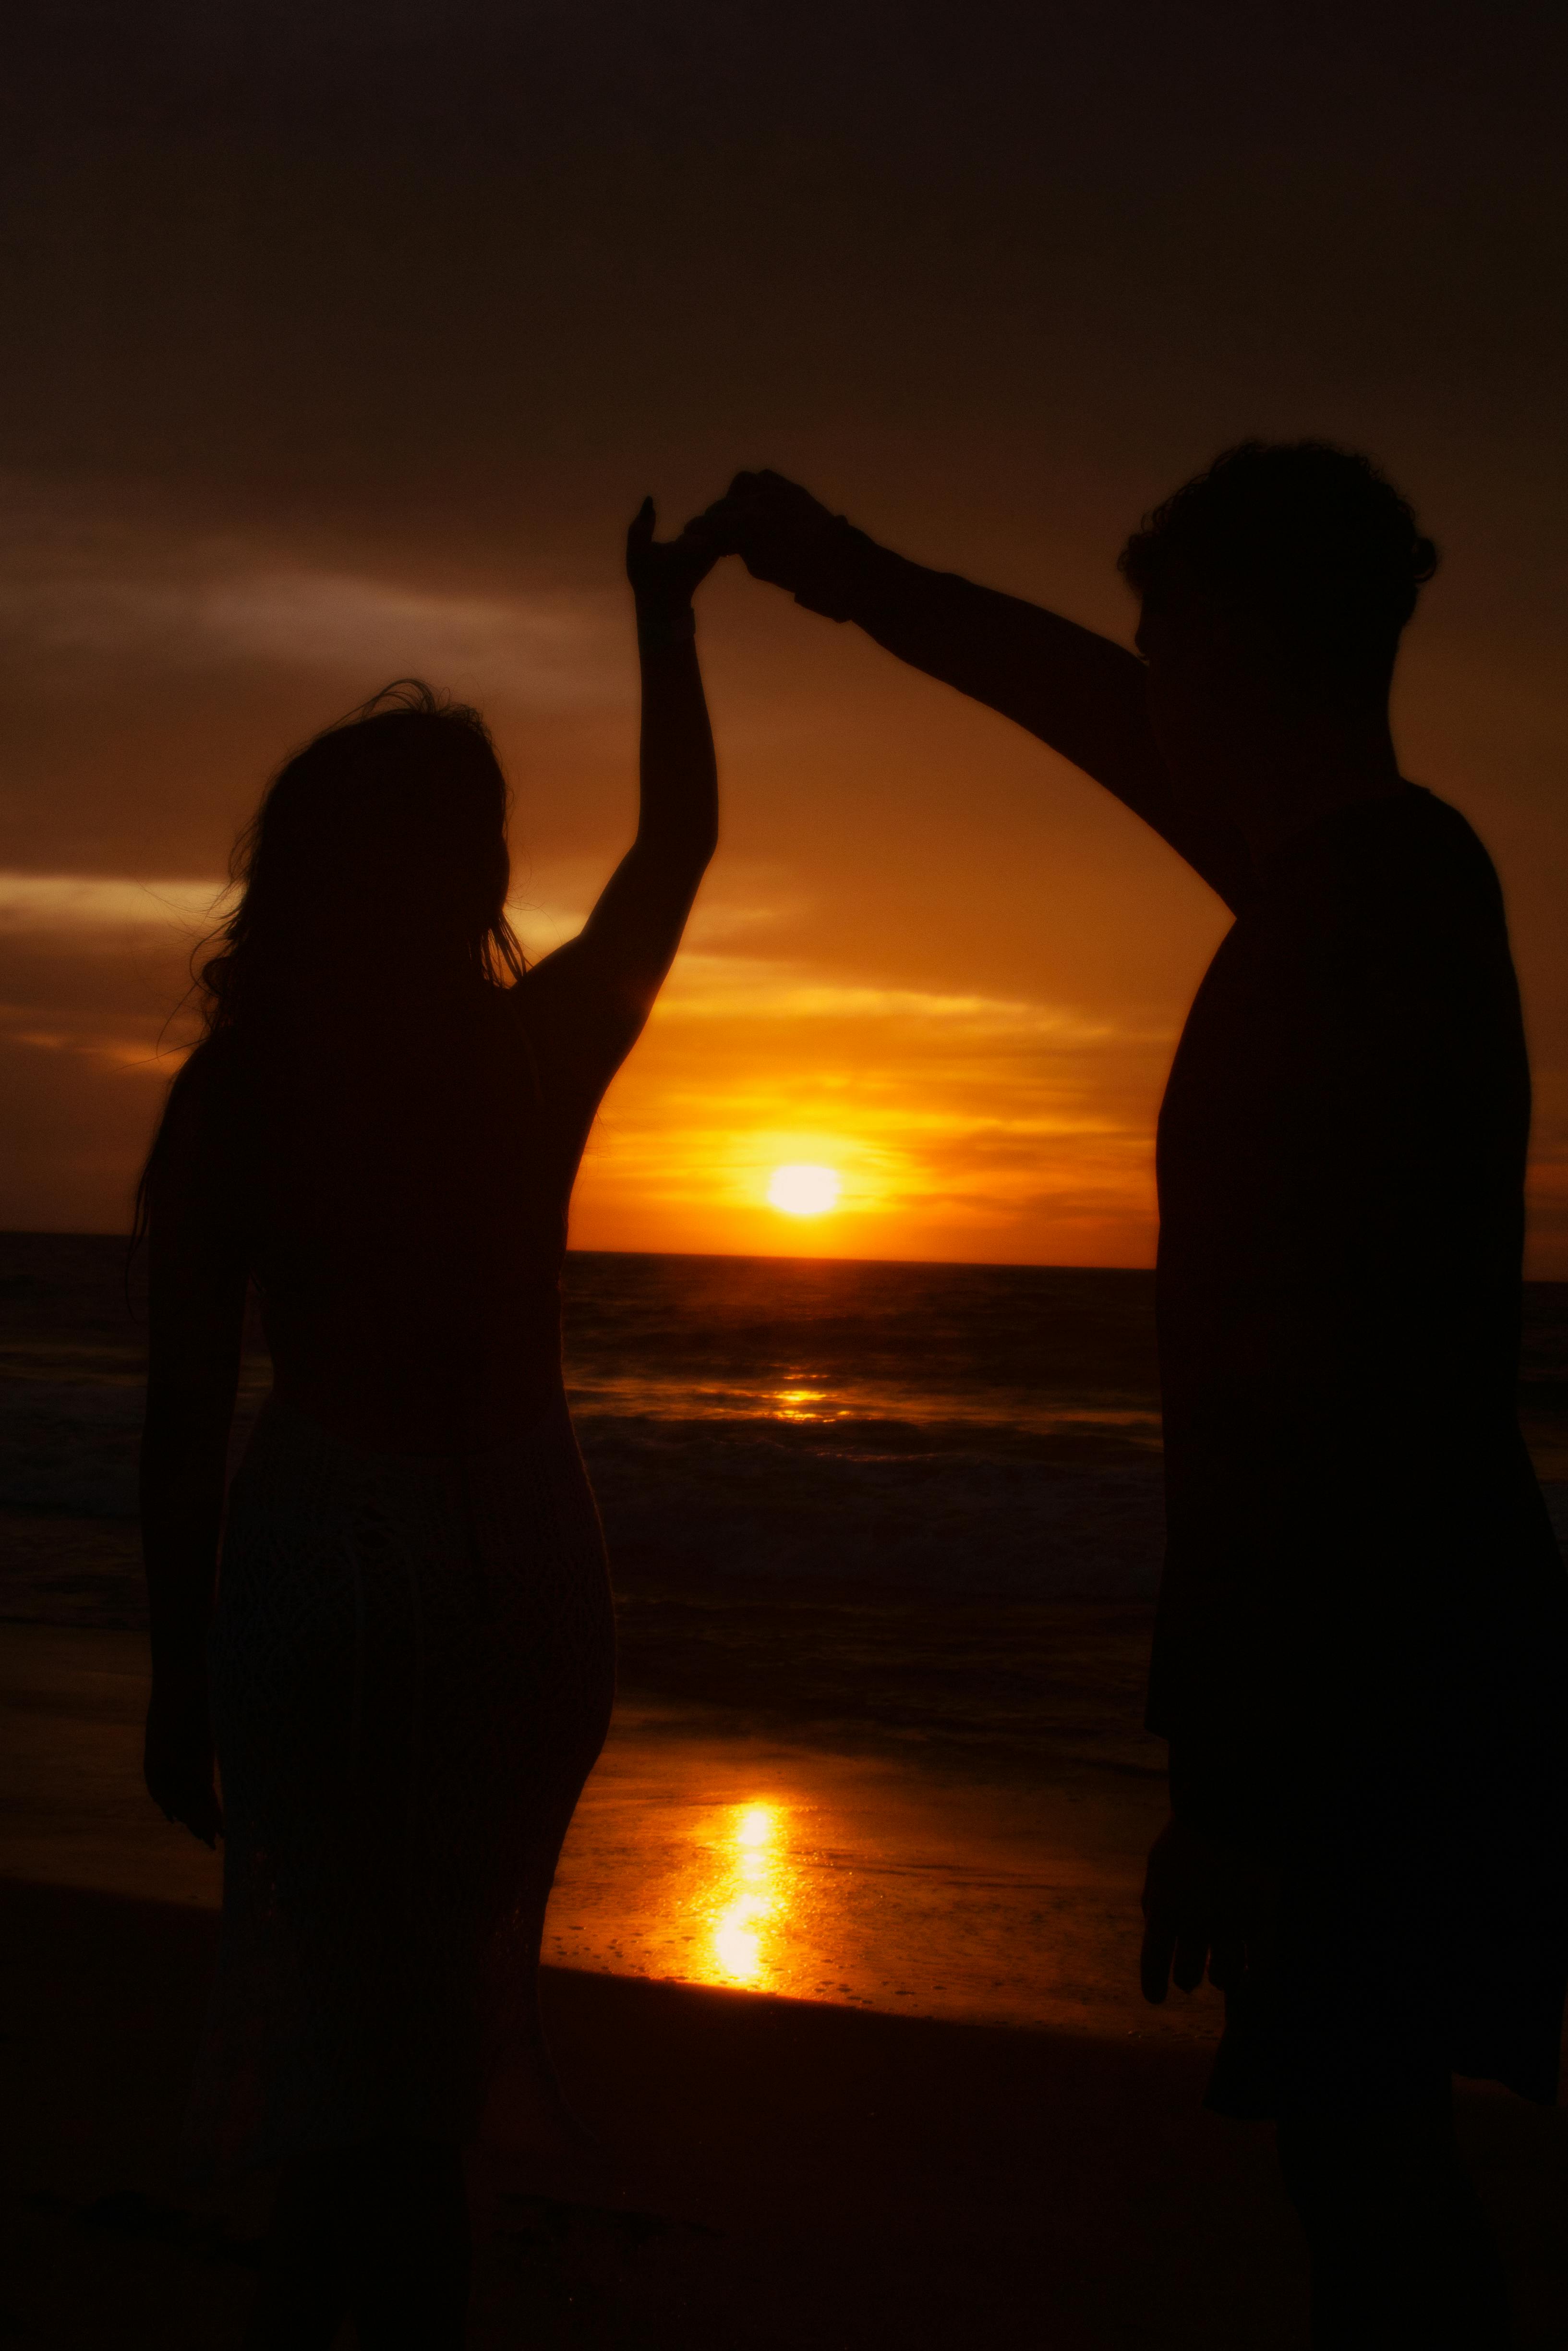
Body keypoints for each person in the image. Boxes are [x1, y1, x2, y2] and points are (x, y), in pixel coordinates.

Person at [696, 446, 1568, 2346]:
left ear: (1233, 649)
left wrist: (1234, 1785)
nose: (1142, 681)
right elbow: (1080, 707)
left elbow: (1319, 1402)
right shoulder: (1380, 876)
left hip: (1376, 1674)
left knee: (1371, 2183)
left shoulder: (1356, 922)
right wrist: (849, 573)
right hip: (1418, 1645)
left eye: (1163, 642)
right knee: (1368, 2159)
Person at [136, 499, 719, 2348]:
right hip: (521, 1559)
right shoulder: (531, 1055)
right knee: (425, 2060)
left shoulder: (244, 1091)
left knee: (353, 2064)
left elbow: (180, 1412)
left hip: (341, 1561)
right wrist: (664, 622)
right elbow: (679, 848)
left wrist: (174, 1672)